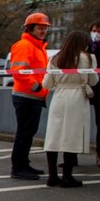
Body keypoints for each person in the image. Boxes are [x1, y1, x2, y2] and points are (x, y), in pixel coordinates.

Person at [42, 30, 99, 187]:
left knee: (53, 136)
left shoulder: (55, 58)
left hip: (59, 96)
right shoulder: (88, 58)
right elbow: (93, 81)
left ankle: (52, 175)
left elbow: (47, 84)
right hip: (78, 98)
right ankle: (67, 176)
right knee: (72, 136)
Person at [9, 13, 51, 180]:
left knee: (28, 133)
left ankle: (23, 164)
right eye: (40, 28)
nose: (43, 31)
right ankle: (18, 167)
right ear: (30, 28)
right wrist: (37, 87)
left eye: (45, 28)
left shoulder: (38, 47)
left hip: (33, 96)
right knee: (24, 133)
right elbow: (18, 71)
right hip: (26, 95)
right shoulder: (24, 45)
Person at [88, 19, 100, 166]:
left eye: (99, 31)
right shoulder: (87, 47)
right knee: (77, 122)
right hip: (87, 87)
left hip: (97, 89)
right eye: (94, 31)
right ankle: (71, 156)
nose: (96, 34)